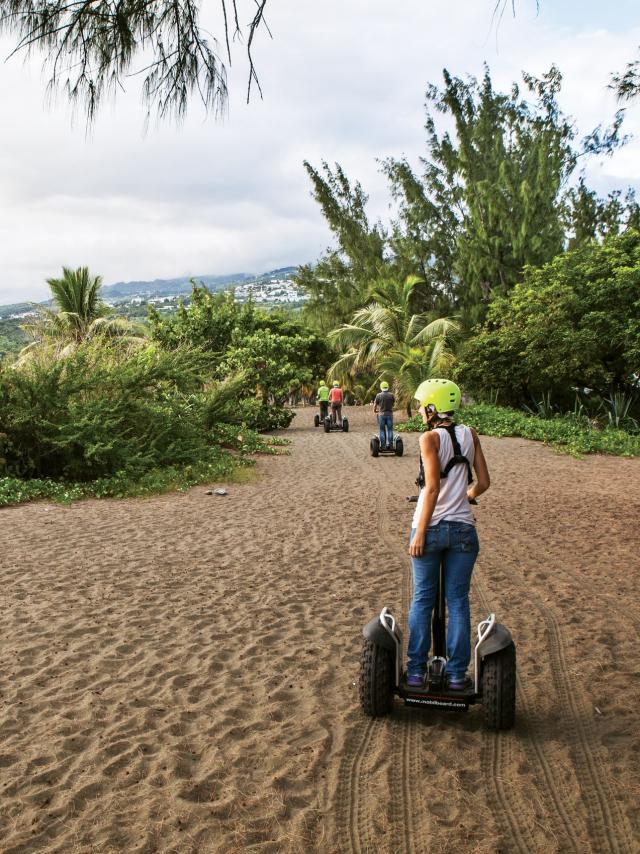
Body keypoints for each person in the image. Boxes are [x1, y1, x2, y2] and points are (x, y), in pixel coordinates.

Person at [406, 378, 490, 690]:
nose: (418, 410)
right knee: (457, 601)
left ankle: (415, 671)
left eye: (421, 405)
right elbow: (482, 483)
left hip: (432, 528)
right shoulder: (471, 434)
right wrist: (465, 496)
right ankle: (456, 676)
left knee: (423, 599)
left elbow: (431, 488)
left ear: (432, 407)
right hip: (464, 531)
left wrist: (420, 533)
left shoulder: (429, 439)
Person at [373, 380, 395, 450]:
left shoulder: (378, 395)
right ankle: (391, 446)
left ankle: (383, 446)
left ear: (381, 387)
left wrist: (375, 410)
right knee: (390, 430)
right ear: (387, 387)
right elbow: (393, 403)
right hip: (389, 414)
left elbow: (375, 405)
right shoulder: (391, 395)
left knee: (382, 430)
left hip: (381, 415)